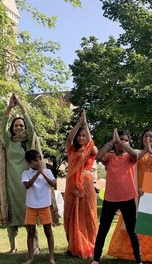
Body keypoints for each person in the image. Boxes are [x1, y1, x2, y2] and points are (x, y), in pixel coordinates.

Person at [107, 129, 152, 263]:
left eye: (151, 136)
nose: (148, 138)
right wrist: (145, 150)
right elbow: (134, 159)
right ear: (141, 139)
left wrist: (150, 150)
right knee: (134, 225)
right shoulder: (135, 152)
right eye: (145, 136)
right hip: (138, 193)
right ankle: (131, 253)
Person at [0, 93, 40, 254]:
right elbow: (2, 127)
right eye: (16, 126)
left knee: (30, 212)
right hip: (11, 183)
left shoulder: (28, 141)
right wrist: (9, 108)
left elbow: (31, 127)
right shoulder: (8, 141)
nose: (19, 128)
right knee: (11, 215)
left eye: (21, 126)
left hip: (28, 184)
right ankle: (12, 247)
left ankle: (35, 246)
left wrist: (22, 108)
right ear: (12, 128)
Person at [91, 129, 142, 264]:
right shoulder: (110, 157)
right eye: (120, 140)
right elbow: (98, 157)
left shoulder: (130, 157)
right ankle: (96, 259)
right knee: (103, 230)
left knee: (132, 231)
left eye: (125, 140)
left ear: (129, 142)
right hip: (110, 199)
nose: (122, 142)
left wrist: (121, 143)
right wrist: (112, 142)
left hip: (128, 199)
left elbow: (134, 154)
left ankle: (139, 260)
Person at [64, 110, 98, 258]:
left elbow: (91, 143)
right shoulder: (71, 150)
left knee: (88, 213)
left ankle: (89, 243)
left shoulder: (91, 150)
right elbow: (69, 139)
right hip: (72, 186)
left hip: (87, 185)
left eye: (83, 135)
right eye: (79, 135)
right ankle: (74, 245)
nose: (81, 137)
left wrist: (86, 125)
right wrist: (79, 124)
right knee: (72, 214)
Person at [21, 150, 56, 264]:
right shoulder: (26, 173)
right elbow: (27, 185)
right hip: (31, 205)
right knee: (31, 232)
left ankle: (51, 257)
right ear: (29, 162)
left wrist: (43, 173)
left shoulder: (48, 171)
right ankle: (30, 257)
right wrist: (37, 174)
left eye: (39, 159)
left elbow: (52, 184)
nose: (38, 162)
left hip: (44, 205)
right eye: (35, 160)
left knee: (48, 231)